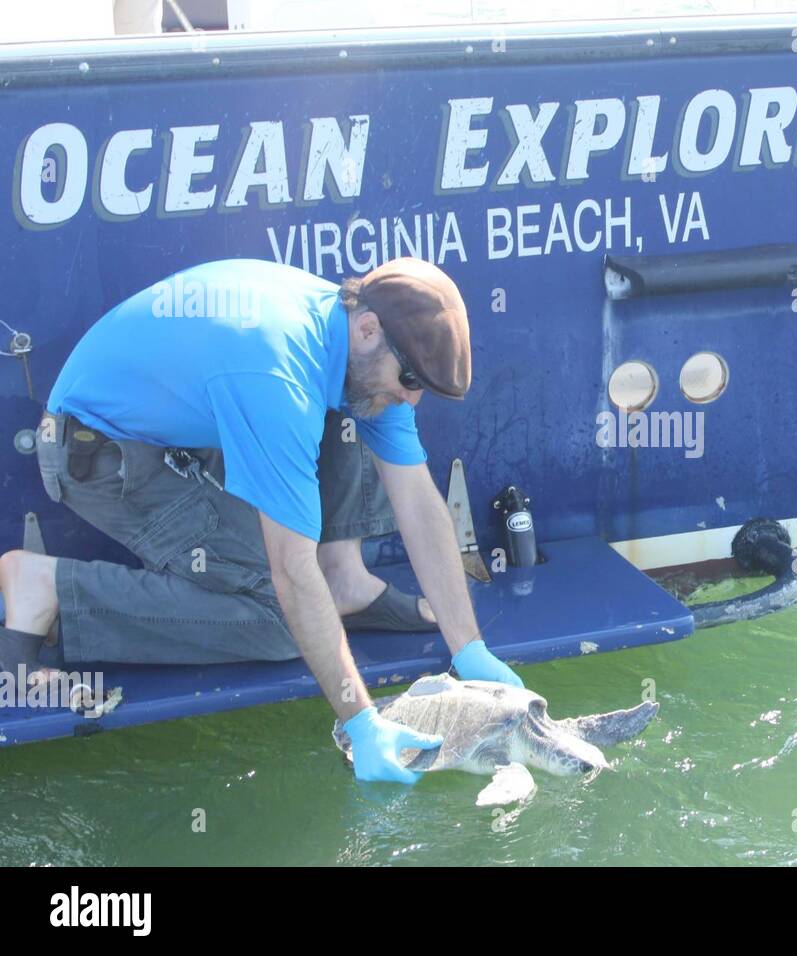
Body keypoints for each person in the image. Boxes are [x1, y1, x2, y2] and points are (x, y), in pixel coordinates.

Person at [0, 257, 521, 783]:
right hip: (96, 455)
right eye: (409, 378)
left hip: (185, 430)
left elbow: (417, 497)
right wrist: (363, 724)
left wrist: (470, 649)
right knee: (281, 621)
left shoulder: (349, 333)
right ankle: (48, 587)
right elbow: (292, 573)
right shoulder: (276, 373)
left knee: (364, 405)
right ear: (367, 328)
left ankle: (344, 579)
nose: (411, 397)